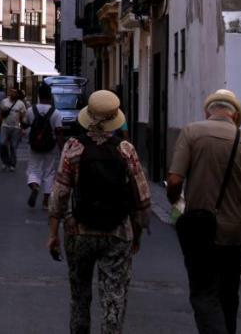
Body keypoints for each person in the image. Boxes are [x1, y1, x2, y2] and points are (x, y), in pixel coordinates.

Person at [167, 89, 241, 334]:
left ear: (208, 111)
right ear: (235, 115)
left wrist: (176, 202)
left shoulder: (191, 133)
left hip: (200, 229)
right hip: (234, 234)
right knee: (229, 296)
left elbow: (174, 181)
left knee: (204, 294)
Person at [46, 90, 151, 334]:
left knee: (80, 295)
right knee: (114, 296)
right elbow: (142, 198)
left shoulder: (74, 147)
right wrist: (137, 233)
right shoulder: (126, 149)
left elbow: (60, 192)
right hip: (117, 231)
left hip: (78, 231)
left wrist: (53, 233)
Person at [26, 83, 60, 208]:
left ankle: (35, 186)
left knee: (33, 168)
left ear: (39, 95)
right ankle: (46, 201)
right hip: (50, 146)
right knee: (49, 172)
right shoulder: (55, 113)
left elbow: (26, 125)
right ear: (50, 96)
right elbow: (59, 132)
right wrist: (62, 148)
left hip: (34, 145)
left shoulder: (31, 110)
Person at [0, 87, 27, 172]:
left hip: (16, 128)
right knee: (2, 143)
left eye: (15, 92)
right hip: (4, 126)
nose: (13, 94)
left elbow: (23, 116)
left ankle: (12, 164)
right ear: (9, 93)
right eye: (12, 92)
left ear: (17, 94)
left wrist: (23, 128)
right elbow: (0, 114)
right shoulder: (4, 102)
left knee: (13, 147)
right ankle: (5, 161)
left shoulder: (20, 104)